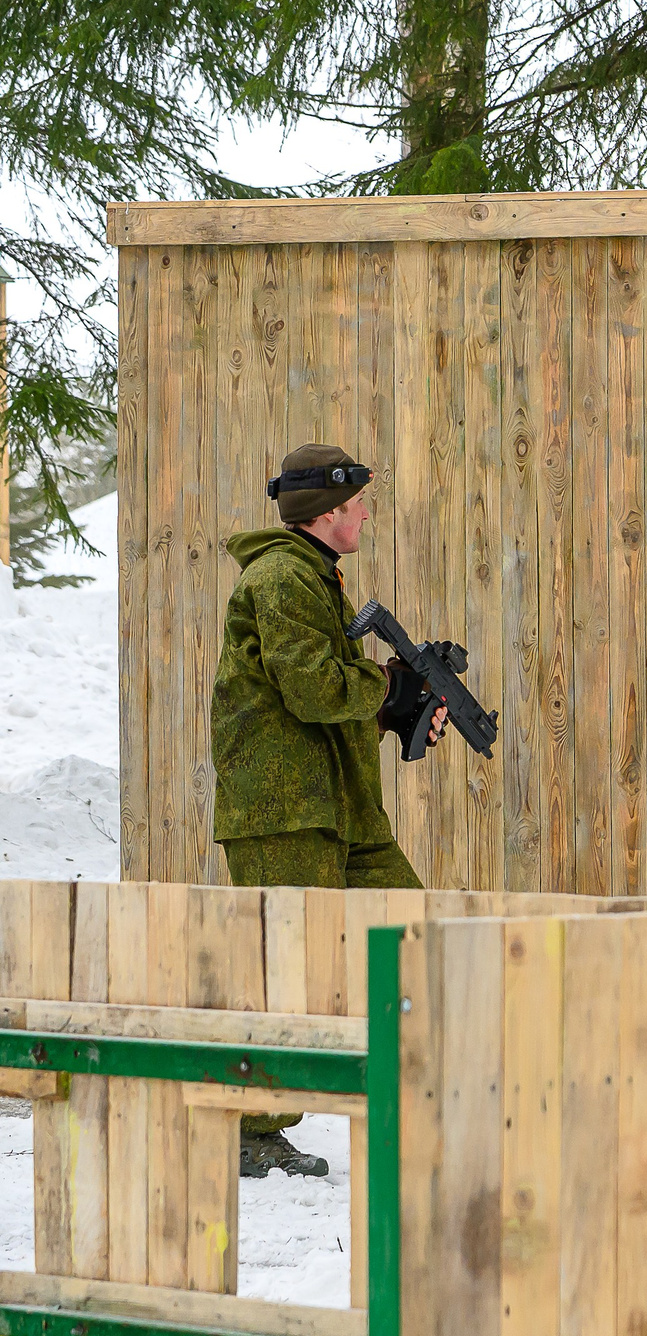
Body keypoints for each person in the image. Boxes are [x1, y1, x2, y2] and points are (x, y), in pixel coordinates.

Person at [212, 444, 445, 1177]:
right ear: (327, 512)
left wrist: (398, 708)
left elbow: (323, 695)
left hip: (339, 806)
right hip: (283, 811)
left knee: (416, 936)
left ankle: (432, 1096)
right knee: (289, 967)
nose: (366, 516)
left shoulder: (314, 578)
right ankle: (253, 1131)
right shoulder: (281, 576)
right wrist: (386, 689)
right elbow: (314, 687)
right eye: (357, 506)